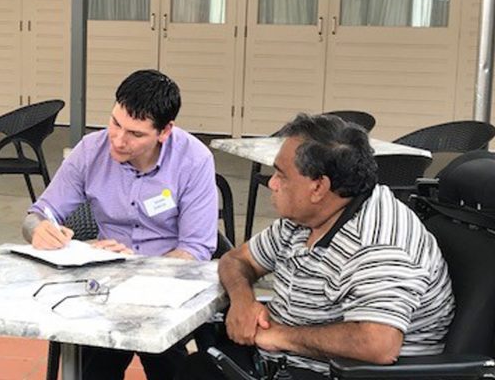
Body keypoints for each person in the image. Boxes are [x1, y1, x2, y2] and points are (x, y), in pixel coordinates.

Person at [179, 113, 455, 380]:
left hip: (333, 372)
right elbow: (237, 260)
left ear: (319, 187)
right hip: (281, 361)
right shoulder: (307, 217)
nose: (272, 184)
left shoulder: (378, 242)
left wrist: (280, 335)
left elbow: (378, 344)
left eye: (281, 175)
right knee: (187, 370)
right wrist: (243, 302)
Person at [22, 69, 218, 380]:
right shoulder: (90, 149)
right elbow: (37, 214)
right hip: (104, 293)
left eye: (136, 134)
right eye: (115, 123)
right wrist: (40, 230)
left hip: (166, 290)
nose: (119, 139)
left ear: (165, 131)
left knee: (173, 366)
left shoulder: (194, 160)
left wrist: (137, 273)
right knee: (94, 366)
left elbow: (196, 249)